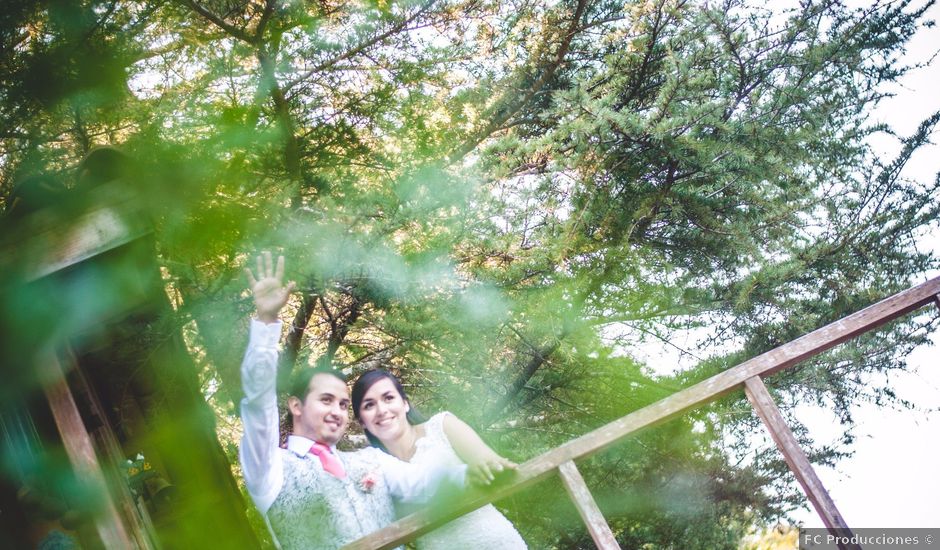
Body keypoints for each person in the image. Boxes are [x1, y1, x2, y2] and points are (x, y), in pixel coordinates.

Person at [239, 252, 467, 550]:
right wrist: (266, 321)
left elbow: (425, 483)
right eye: (326, 400)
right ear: (296, 406)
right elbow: (258, 402)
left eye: (344, 405)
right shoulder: (270, 469)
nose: (337, 412)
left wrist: (479, 467)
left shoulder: (371, 460)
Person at [352, 369, 528, 549]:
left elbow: (488, 460)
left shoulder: (442, 426)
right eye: (369, 405)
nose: (382, 410)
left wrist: (491, 467)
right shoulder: (373, 469)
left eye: (388, 398)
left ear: (405, 403)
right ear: (362, 421)